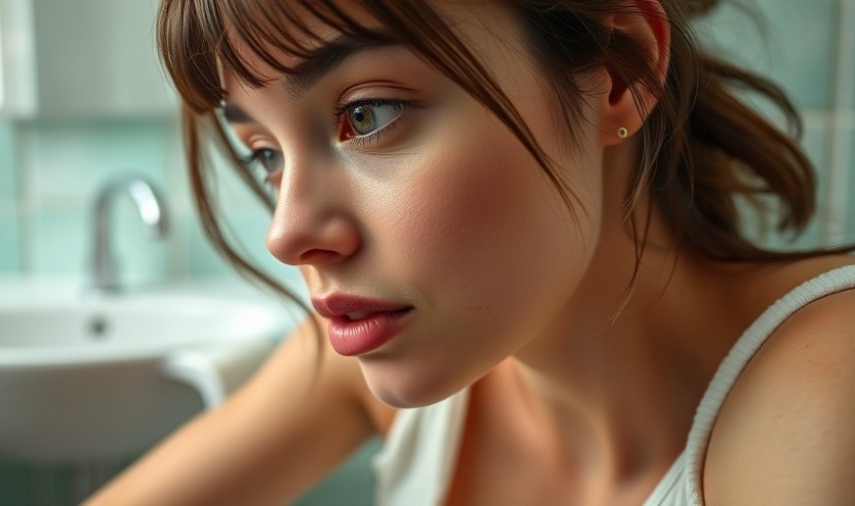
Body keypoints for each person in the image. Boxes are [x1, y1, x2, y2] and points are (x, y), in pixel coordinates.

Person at [86, 0, 855, 504]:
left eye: (367, 113)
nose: (285, 234)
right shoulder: (363, 357)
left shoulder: (830, 385)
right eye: (265, 152)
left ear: (615, 77)